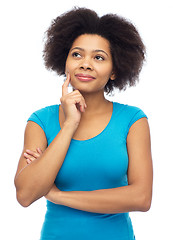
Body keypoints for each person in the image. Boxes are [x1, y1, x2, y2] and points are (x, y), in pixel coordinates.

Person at [14, 7, 153, 240]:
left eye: (98, 57)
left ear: (114, 71)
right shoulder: (40, 121)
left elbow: (141, 198)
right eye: (77, 54)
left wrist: (59, 196)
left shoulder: (133, 121)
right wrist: (69, 125)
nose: (85, 64)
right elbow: (26, 195)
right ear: (64, 61)